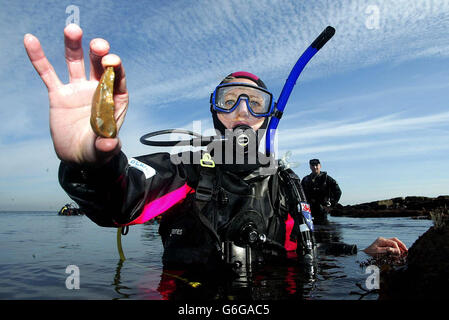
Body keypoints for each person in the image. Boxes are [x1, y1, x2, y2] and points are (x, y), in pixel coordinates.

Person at [23, 24, 407, 274]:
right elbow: (122, 200)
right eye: (229, 100)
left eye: (254, 102)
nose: (241, 111)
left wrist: (360, 251)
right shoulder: (186, 168)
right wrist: (92, 166)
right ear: (215, 112)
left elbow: (306, 244)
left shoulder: (287, 182)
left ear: (269, 113)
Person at [301, 158, 341, 224]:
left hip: (321, 210)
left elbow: (338, 192)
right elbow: (300, 194)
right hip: (307, 210)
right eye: (312, 165)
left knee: (323, 230)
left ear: (320, 166)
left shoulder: (327, 179)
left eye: (316, 165)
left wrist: (331, 206)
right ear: (310, 167)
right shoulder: (305, 179)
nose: (315, 167)